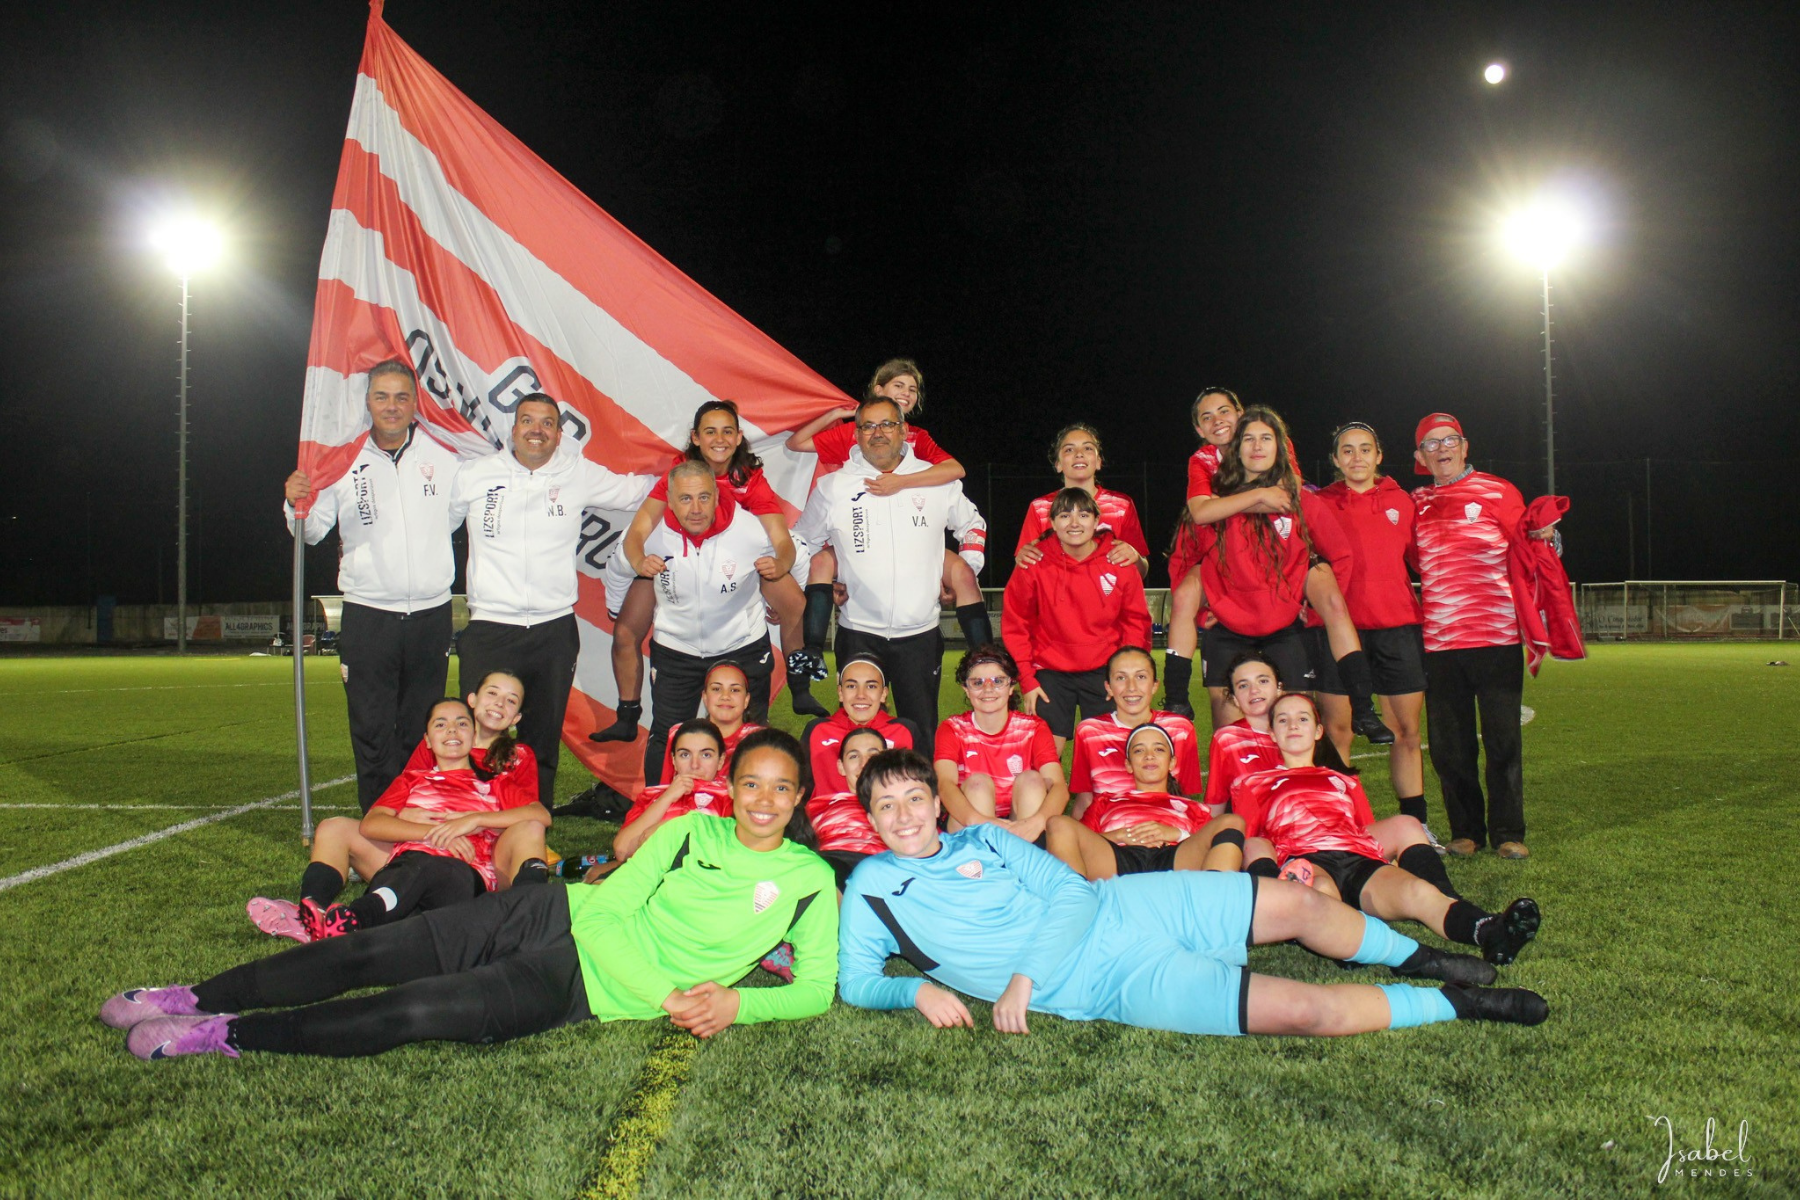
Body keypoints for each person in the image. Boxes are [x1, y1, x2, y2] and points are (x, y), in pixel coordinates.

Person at [104, 729, 838, 1060]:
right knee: (375, 952)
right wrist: (672, 995)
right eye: (751, 783)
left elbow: (816, 988)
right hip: (548, 913)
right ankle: (188, 997)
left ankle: (224, 1034)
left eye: (780, 788)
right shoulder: (693, 832)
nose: (763, 800)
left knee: (418, 1010)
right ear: (731, 787)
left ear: (800, 794)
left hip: (582, 986)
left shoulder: (809, 882)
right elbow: (609, 909)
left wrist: (738, 1003)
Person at [837, 748, 1547, 1039]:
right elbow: (857, 980)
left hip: (1127, 907)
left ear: (937, 801)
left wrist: (1019, 976)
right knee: (1306, 1008)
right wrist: (914, 992)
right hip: (1107, 980)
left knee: (1300, 905)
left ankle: (1417, 959)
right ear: (869, 819)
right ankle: (1456, 1002)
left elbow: (1078, 896)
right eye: (885, 807)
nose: (902, 817)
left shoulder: (985, 839)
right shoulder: (873, 886)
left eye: (912, 798)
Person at [449, 394, 655, 803]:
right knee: (479, 736)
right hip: (489, 626)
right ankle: (473, 823)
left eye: (546, 423)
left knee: (540, 739)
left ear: (560, 434)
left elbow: (638, 492)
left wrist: (699, 475)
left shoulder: (576, 473)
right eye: (528, 421)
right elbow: (433, 524)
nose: (536, 430)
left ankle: (530, 828)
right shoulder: (475, 474)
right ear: (514, 428)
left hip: (552, 629)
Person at [1233, 694, 1541, 964]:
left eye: (1302, 718)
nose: (1293, 725)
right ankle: (1314, 928)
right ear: (1272, 734)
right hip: (1304, 860)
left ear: (1318, 731)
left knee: (1418, 892)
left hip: (1356, 856)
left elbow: (1366, 829)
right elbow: (1248, 841)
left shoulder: (1341, 779)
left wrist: (1392, 865)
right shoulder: (1253, 782)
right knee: (1314, 887)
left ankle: (1489, 932)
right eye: (1283, 720)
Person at [284, 358, 465, 811]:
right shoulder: (341, 460)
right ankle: (378, 827)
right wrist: (295, 503)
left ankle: (418, 825)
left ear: (415, 403)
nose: (391, 406)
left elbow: (458, 515)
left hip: (430, 613)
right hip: (368, 614)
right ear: (367, 402)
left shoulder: (445, 456)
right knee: (371, 730)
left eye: (401, 396)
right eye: (381, 396)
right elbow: (311, 532)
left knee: (422, 731)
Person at [248, 670, 540, 943]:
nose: (499, 704)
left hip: (479, 858)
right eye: (492, 693)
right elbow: (393, 809)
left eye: (510, 700)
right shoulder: (426, 763)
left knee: (526, 828)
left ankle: (531, 920)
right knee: (336, 828)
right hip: (416, 849)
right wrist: (423, 826)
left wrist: (473, 821)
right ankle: (312, 913)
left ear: (517, 717)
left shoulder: (511, 762)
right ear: (472, 700)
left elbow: (532, 816)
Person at [1169, 390, 1391, 746]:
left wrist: (1313, 608)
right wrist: (1199, 611)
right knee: (1231, 738)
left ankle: (1363, 706)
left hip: (1283, 622)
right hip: (1230, 622)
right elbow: (1185, 551)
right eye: (1250, 440)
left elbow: (1340, 555)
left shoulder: (1297, 496)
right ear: (1237, 446)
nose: (1258, 447)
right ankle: (1176, 699)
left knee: (1296, 726)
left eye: (1266, 439)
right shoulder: (1211, 493)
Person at [785, 359, 993, 718]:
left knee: (922, 736)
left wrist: (967, 571)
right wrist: (816, 579)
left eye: (887, 425)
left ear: (902, 430)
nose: (877, 433)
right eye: (867, 427)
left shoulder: (935, 479)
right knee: (860, 740)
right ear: (856, 434)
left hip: (921, 634)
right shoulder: (833, 487)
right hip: (858, 632)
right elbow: (802, 540)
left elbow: (973, 525)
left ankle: (986, 659)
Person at [594, 401, 807, 739]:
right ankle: (628, 714)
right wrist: (639, 565)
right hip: (679, 566)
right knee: (625, 631)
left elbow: (786, 543)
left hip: (732, 569)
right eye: (709, 431)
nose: (718, 439)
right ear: (695, 438)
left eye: (726, 431)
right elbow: (635, 535)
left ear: (739, 438)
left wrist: (778, 567)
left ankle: (800, 682)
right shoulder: (677, 475)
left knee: (794, 602)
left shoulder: (750, 480)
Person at [1411, 413, 1543, 859]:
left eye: (1449, 440)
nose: (1441, 448)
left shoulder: (1500, 492)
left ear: (1465, 446)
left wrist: (1550, 540)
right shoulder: (1416, 502)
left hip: (1497, 636)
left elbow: (1532, 546)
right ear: (1419, 457)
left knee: (1503, 740)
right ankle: (1466, 831)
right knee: (1450, 746)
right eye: (1431, 443)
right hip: (1441, 644)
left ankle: (1508, 832)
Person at [606, 460, 780, 783]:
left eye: (703, 497)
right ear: (669, 500)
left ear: (717, 495)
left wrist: (782, 599)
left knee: (751, 734)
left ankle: (745, 816)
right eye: (685, 499)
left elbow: (791, 552)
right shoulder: (651, 534)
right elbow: (617, 567)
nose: (696, 508)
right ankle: (658, 816)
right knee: (668, 735)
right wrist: (615, 610)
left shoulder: (749, 528)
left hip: (742, 646)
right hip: (676, 649)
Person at [1317, 422, 1429, 827]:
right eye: (1347, 450)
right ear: (1335, 459)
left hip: (1397, 626)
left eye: (1365, 449)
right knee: (1338, 730)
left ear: (1379, 455)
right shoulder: (1319, 503)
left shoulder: (1404, 501)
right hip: (1337, 630)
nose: (1357, 457)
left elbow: (1425, 559)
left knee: (1406, 731)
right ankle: (1337, 826)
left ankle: (1416, 824)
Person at [1001, 488, 1154, 751]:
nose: (1074, 523)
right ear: (1052, 523)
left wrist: (1125, 675)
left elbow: (1136, 623)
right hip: (1049, 673)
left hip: (1104, 671)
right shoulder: (1033, 563)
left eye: (1083, 515)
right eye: (1064, 515)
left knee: (1107, 760)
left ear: (1096, 522)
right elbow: (1016, 625)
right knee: (1044, 763)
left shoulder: (1119, 561)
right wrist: (1026, 679)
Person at [1046, 723, 1247, 880]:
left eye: (1159, 750)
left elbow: (1211, 846)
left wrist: (1177, 833)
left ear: (1172, 762)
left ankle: (1213, 912)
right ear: (1128, 765)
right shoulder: (1106, 801)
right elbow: (1081, 843)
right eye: (1139, 751)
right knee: (1058, 824)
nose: (1149, 756)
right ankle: (1076, 907)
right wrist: (1121, 835)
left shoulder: (1193, 808)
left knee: (1231, 822)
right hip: (1119, 859)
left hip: (1174, 858)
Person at [932, 644, 1068, 842]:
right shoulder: (952, 729)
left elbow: (1058, 786)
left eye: (998, 681)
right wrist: (980, 821)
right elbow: (945, 786)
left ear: (1011, 686)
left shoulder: (1033, 728)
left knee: (1032, 780)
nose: (988, 688)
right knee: (978, 784)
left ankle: (1024, 861)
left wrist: (1036, 823)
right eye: (977, 682)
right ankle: (984, 866)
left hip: (1020, 820)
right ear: (966, 689)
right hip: (969, 821)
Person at [1067, 646, 1203, 818]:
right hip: (1111, 833)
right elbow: (1085, 798)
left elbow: (1185, 796)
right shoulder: (1090, 731)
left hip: (1164, 829)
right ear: (1108, 687)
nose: (1131, 687)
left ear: (1155, 685)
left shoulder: (1180, 728)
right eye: (1121, 678)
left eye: (1140, 677)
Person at [1015, 423, 1149, 579]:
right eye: (1069, 449)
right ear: (1057, 464)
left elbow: (1141, 570)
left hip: (1107, 601)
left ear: (1099, 461)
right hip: (1057, 601)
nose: (1079, 454)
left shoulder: (1121, 505)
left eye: (1088, 448)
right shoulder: (1040, 508)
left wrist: (1136, 558)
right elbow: (1024, 569)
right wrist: (1022, 559)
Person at [610, 720, 735, 864]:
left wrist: (669, 828)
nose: (695, 765)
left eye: (706, 755)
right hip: (650, 878)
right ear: (673, 760)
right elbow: (622, 850)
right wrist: (667, 798)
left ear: (720, 761)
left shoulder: (729, 796)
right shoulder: (652, 796)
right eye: (685, 755)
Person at [802, 654, 920, 797]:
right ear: (840, 692)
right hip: (830, 817)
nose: (861, 695)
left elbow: (922, 786)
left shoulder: (904, 730)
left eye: (871, 686)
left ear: (883, 693)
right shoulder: (818, 730)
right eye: (851, 686)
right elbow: (800, 788)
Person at [807, 726, 891, 892]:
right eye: (854, 756)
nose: (863, 764)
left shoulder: (901, 806)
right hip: (830, 865)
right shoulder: (818, 807)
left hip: (882, 868)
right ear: (841, 766)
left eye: (872, 755)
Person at [654, 661, 764, 785]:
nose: (725, 696)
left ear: (746, 699)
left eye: (735, 690)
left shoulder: (761, 740)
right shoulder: (680, 734)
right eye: (716, 689)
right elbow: (665, 790)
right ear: (705, 697)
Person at [1204, 653, 1286, 819]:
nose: (1254, 690)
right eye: (1243, 685)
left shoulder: (1302, 730)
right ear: (1234, 699)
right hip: (1254, 838)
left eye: (1263, 681)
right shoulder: (1228, 739)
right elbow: (1216, 802)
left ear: (1279, 688)